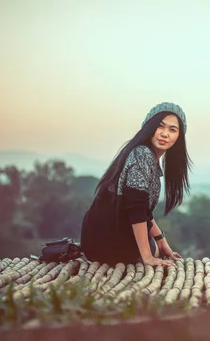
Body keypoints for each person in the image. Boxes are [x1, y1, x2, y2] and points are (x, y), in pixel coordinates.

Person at [80, 102, 191, 267]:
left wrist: (161, 240)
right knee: (157, 255)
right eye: (160, 126)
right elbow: (136, 207)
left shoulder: (149, 159)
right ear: (149, 127)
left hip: (103, 238)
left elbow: (143, 209)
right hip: (108, 239)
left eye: (172, 130)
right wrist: (147, 257)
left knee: (160, 252)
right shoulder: (142, 154)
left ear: (178, 137)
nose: (165, 134)